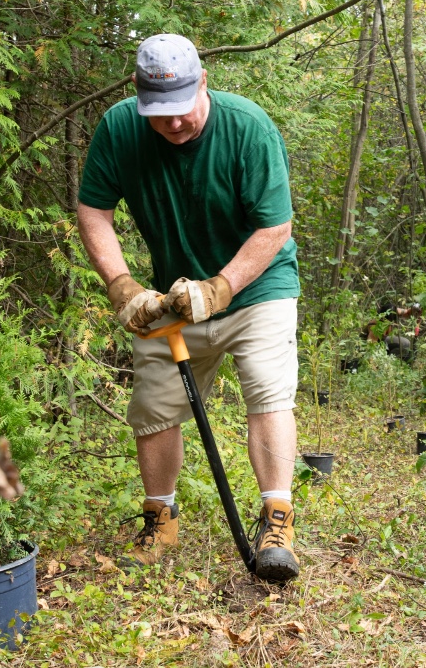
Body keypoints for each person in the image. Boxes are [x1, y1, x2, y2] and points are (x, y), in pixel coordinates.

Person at [77, 34, 301, 582]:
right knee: (154, 405)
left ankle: (277, 519)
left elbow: (275, 226)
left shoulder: (248, 128)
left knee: (267, 393)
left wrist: (221, 288)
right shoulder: (119, 128)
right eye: (159, 114)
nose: (173, 125)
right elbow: (93, 211)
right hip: (171, 296)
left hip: (256, 288)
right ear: (138, 97)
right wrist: (122, 285)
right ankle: (160, 520)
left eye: (181, 110)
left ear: (203, 83)